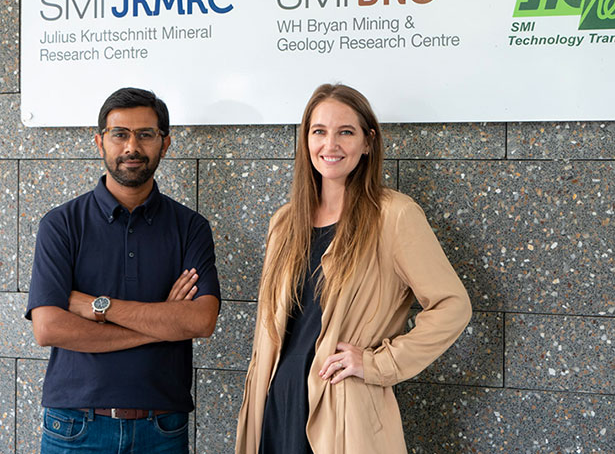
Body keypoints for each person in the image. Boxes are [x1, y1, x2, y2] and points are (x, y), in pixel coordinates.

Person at [235, 84, 471, 454]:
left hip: (342, 411)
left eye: (346, 132)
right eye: (319, 132)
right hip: (276, 404)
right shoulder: (283, 223)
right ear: (305, 141)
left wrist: (379, 363)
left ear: (367, 142)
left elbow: (453, 306)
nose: (331, 145)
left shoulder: (393, 216)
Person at [26, 87, 221, 454]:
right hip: (75, 426)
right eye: (120, 134)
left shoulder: (190, 227)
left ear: (165, 144)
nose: (132, 146)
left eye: (145, 134)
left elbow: (200, 321)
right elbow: (49, 327)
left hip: (161, 428)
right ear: (100, 142)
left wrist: (97, 307)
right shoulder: (61, 224)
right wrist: (163, 325)